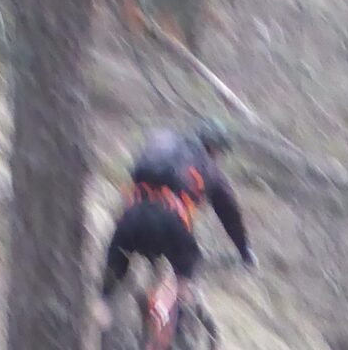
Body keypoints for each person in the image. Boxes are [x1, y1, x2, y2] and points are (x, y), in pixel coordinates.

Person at [100, 115, 255, 307]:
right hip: (171, 224)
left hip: (132, 217)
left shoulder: (164, 146)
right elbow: (229, 212)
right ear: (214, 148)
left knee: (110, 282)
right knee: (185, 278)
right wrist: (244, 249)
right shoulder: (209, 166)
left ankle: (100, 317)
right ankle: (178, 331)